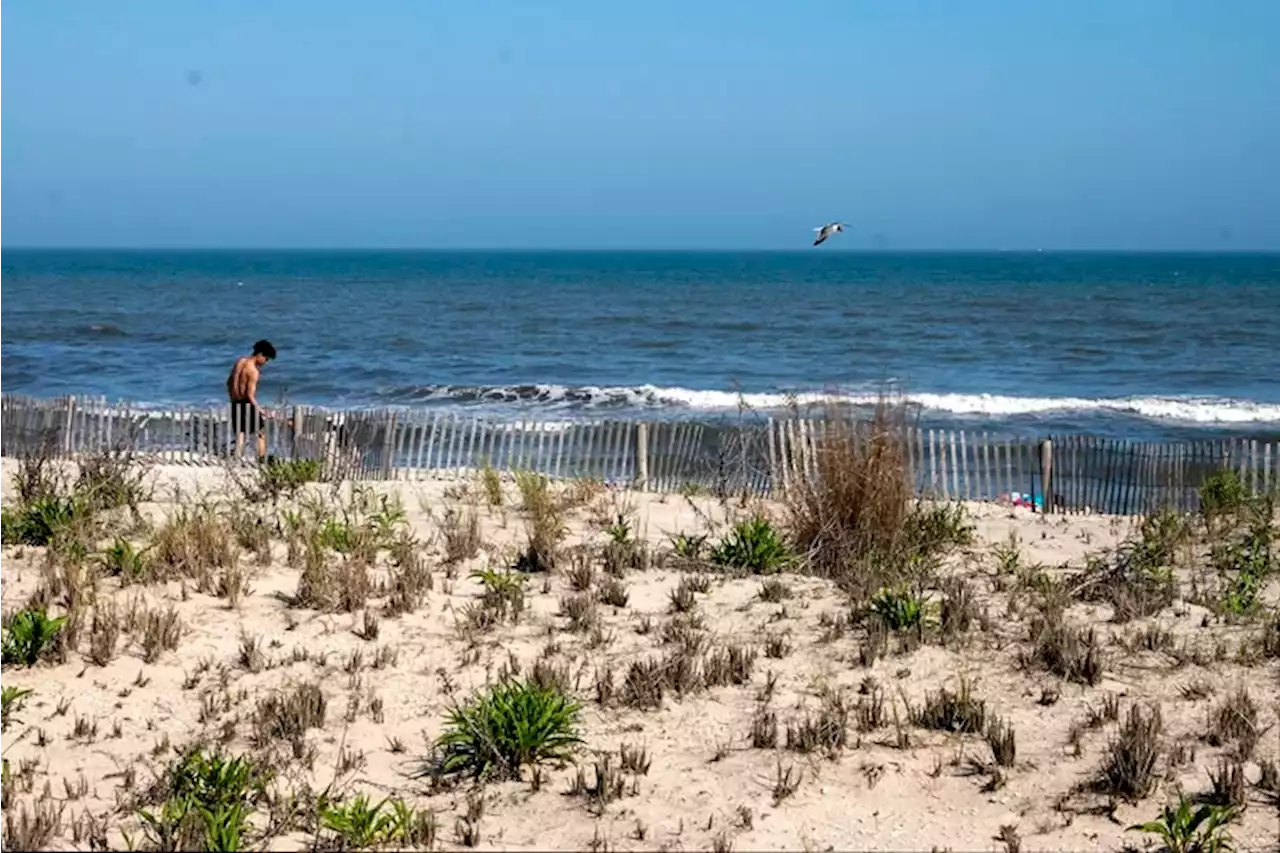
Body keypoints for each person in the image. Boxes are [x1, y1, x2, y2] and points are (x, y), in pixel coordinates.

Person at [226, 339, 277, 461]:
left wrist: (232, 397)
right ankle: (261, 457)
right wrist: (260, 410)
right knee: (261, 431)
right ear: (260, 355)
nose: (265, 362)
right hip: (246, 403)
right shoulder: (253, 371)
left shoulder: (240, 362)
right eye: (266, 359)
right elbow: (250, 395)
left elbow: (228, 383)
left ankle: (236, 457)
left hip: (235, 401)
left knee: (240, 432)